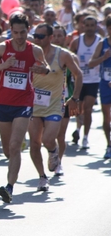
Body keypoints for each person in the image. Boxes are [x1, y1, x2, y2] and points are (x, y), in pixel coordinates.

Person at [0, 14, 49, 203]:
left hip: (24, 102)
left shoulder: (35, 50)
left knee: (15, 145)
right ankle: (14, 168)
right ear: (11, 31)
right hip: (3, 103)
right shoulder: (3, 48)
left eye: (23, 32)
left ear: (28, 30)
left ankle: (9, 187)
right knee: (7, 150)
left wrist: (43, 70)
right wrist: (3, 65)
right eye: (15, 32)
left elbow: (46, 68)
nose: (19, 36)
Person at [29, 23, 82, 191]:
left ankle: (53, 152)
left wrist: (75, 98)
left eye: (40, 36)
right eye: (35, 36)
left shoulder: (63, 55)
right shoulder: (30, 52)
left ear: (50, 38)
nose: (36, 39)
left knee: (48, 139)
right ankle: (42, 177)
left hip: (54, 105)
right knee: (35, 144)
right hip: (33, 104)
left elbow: (78, 74)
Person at [69, 16, 102, 148]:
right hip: (78, 79)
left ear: (96, 26)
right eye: (87, 25)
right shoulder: (77, 41)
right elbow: (69, 58)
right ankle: (78, 129)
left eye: (92, 25)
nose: (89, 28)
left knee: (87, 109)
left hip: (93, 80)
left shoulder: (100, 41)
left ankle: (86, 137)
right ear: (83, 26)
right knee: (78, 109)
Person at [52, 25, 80, 175]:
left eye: (59, 36)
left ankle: (58, 163)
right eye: (54, 35)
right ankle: (51, 156)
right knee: (46, 136)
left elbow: (77, 78)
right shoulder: (44, 54)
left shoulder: (71, 57)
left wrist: (75, 98)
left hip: (64, 99)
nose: (57, 38)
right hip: (46, 101)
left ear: (65, 38)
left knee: (60, 134)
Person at [88, 14, 111, 159]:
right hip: (105, 84)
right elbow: (90, 63)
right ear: (109, 28)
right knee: (106, 117)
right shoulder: (102, 44)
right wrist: (103, 57)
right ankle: (109, 145)